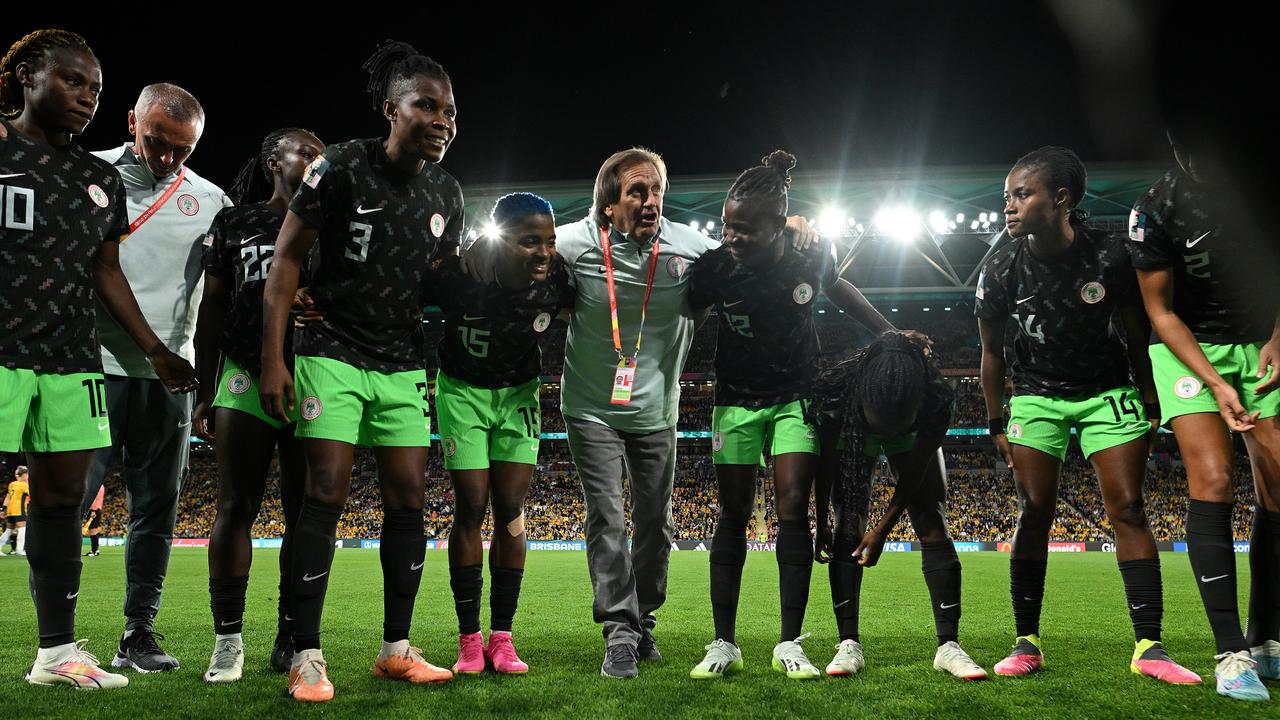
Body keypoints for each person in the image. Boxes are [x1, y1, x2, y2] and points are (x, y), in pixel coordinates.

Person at [554, 147, 816, 678]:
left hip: (656, 409)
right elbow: (522, 252)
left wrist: (786, 224)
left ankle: (643, 617)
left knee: (655, 524)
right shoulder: (571, 244)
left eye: (656, 192)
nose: (650, 202)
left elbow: (748, 247)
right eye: (636, 192)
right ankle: (620, 632)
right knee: (606, 517)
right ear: (608, 203)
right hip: (589, 408)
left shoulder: (693, 249)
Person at [259, 40, 463, 702]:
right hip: (331, 349)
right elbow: (286, 261)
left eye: (450, 111)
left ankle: (395, 649)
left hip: (402, 358)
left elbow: (436, 280)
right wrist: (275, 357)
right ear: (390, 109)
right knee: (326, 493)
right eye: (425, 106)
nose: (441, 120)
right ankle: (306, 656)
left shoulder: (447, 192)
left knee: (408, 499)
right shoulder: (340, 164)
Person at [0, 28, 197, 690]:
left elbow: (107, 272)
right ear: (26, 74)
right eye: (72, 81)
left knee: (59, 505)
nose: (85, 97)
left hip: (71, 361)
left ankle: (55, 655)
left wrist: (155, 352)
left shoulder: (96, 177)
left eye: (95, 88)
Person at [975, 146, 1199, 685]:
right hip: (1034, 395)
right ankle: (1026, 640)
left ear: (1061, 199)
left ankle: (1150, 645)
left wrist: (1150, 403)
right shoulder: (1001, 266)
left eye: (1021, 194)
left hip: (1107, 391)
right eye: (1007, 196)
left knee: (1128, 508)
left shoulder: (1112, 256)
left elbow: (1139, 333)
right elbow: (991, 354)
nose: (1008, 206)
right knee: (1035, 510)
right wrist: (996, 422)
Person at [684, 151, 898, 680]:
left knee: (793, 508)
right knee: (731, 515)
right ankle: (723, 642)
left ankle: (788, 642)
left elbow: (840, 291)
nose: (732, 237)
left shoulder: (809, 255)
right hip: (733, 400)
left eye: (745, 230)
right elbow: (682, 315)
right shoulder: (716, 268)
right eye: (727, 226)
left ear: (779, 226)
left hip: (794, 397)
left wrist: (888, 333)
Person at [63, 80, 229, 673]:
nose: (166, 159)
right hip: (90, 366)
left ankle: (138, 634)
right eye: (157, 141)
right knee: (66, 506)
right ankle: (57, 641)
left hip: (169, 382)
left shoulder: (212, 201)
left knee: (156, 511)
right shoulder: (82, 171)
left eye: (181, 150)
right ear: (131, 119)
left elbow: (228, 294)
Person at [1129, 133, 1280, 701]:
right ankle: (1231, 652)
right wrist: (1215, 382)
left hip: (1260, 341)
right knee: (1214, 477)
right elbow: (1159, 311)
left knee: (1277, 483)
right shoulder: (1155, 208)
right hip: (1186, 350)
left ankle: (1268, 638)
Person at [192, 127, 324, 683]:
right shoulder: (236, 222)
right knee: (235, 507)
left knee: (306, 513)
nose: (318, 162)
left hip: (316, 379)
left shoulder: (334, 223)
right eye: (308, 153)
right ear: (275, 160)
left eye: (324, 156)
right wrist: (204, 388)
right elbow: (213, 308)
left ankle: (291, 637)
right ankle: (227, 641)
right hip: (245, 375)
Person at [430, 193, 573, 675]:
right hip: (462, 392)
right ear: (501, 239)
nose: (543, 252)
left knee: (511, 509)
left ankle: (503, 638)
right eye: (529, 241)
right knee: (470, 506)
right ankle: (469, 639)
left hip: (519, 396)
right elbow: (403, 296)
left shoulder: (558, 280)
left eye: (549, 241)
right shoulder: (459, 276)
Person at [807, 331, 988, 681]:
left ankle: (948, 646)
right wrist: (821, 521)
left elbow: (914, 476)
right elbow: (826, 464)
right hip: (854, 427)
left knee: (931, 517)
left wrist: (882, 529)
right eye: (883, 425)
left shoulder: (935, 398)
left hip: (908, 428)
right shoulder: (836, 396)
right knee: (848, 521)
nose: (888, 432)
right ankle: (849, 643)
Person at [1, 465, 30, 556]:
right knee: (22, 529)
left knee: (8, 531)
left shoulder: (12, 484)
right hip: (19, 510)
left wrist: (3, 509)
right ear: (24, 475)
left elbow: (8, 497)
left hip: (10, 510)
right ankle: (19, 550)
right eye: (27, 474)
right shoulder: (24, 485)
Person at [82, 484, 105, 556]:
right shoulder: (101, 486)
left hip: (93, 509)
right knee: (93, 530)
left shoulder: (95, 485)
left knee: (92, 531)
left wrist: (93, 510)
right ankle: (95, 550)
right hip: (97, 509)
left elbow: (95, 498)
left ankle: (94, 551)